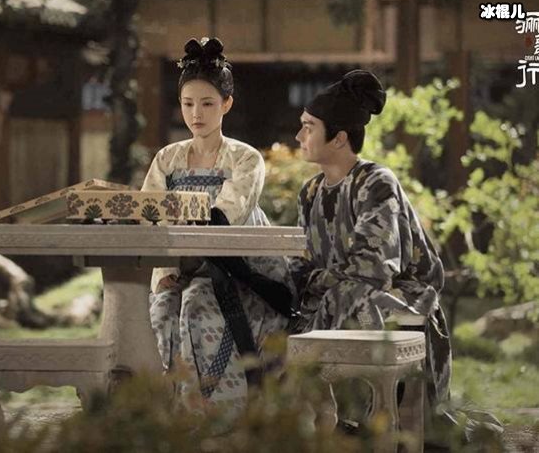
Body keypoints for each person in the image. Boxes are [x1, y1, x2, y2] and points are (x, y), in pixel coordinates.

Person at [141, 37, 295, 414]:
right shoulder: (167, 159)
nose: (197, 113)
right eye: (188, 103)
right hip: (182, 265)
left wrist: (192, 259)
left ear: (226, 104)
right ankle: (175, 413)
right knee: (160, 312)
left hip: (240, 267)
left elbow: (226, 216)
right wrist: (165, 270)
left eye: (208, 103)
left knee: (197, 306)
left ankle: (221, 415)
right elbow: (150, 215)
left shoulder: (245, 158)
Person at [289, 70, 452, 414]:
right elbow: (299, 267)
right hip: (340, 295)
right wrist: (317, 281)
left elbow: (372, 269)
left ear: (339, 138)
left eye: (309, 127)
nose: (299, 135)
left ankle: (364, 419)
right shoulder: (310, 192)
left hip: (401, 296)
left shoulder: (376, 182)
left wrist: (319, 281)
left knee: (355, 298)